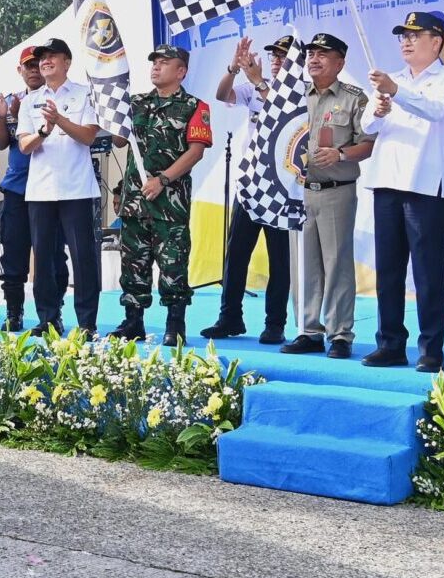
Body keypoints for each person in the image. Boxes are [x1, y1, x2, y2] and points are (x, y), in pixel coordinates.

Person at [362, 11, 444, 372]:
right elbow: (367, 125)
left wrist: (396, 92)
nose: (405, 41)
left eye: (414, 35)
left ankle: (431, 350)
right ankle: (390, 343)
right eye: (402, 36)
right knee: (388, 270)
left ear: (436, 41)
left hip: (426, 186)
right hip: (387, 181)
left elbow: (436, 110)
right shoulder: (393, 78)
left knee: (427, 272)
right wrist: (379, 106)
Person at [202, 35, 298, 344]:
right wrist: (233, 66)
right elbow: (221, 94)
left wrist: (258, 82)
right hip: (251, 182)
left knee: (278, 258)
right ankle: (230, 317)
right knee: (236, 253)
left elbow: (281, 115)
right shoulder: (256, 86)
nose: (275, 60)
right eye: (273, 55)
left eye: (283, 56)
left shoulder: (301, 92)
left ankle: (275, 324)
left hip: (282, 188)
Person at [112, 45, 212, 344]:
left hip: (170, 202)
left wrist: (163, 179)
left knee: (173, 264)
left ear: (181, 71)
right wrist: (112, 110)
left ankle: (175, 324)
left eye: (164, 63)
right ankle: (133, 322)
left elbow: (196, 152)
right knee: (133, 264)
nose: (156, 67)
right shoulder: (135, 103)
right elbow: (118, 141)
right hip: (135, 200)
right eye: (154, 62)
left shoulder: (195, 107)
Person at [284, 35, 372, 356]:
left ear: (340, 62)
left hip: (337, 192)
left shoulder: (354, 99)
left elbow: (368, 143)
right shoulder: (294, 98)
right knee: (304, 265)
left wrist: (341, 155)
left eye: (323, 53)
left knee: (337, 264)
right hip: (300, 192)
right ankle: (308, 329)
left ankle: (339, 334)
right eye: (311, 53)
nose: (314, 58)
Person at [17, 37, 105, 335]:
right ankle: (48, 317)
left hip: (77, 188)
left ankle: (87, 323)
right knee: (43, 258)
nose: (45, 61)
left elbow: (90, 136)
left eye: (52, 56)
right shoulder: (29, 100)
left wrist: (61, 121)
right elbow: (25, 146)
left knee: (83, 257)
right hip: (41, 190)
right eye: (41, 57)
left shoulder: (85, 94)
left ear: (67, 61)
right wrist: (45, 129)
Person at [0, 46, 44, 331]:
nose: (34, 70)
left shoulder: (54, 99)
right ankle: (14, 312)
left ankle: (50, 314)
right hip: (17, 189)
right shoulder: (10, 101)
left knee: (50, 255)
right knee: (14, 255)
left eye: (38, 64)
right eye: (28, 66)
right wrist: (2, 116)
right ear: (19, 71)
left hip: (48, 189)